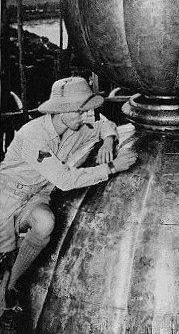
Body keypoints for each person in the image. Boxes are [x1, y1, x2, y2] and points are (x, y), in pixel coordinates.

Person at [0, 76, 136, 325]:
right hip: (7, 196)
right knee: (2, 259)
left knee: (44, 224)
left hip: (37, 194)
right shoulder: (34, 136)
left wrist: (108, 139)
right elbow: (64, 180)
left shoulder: (77, 125)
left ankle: (13, 285)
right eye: (82, 112)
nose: (88, 117)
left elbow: (105, 123)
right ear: (63, 112)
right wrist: (111, 167)